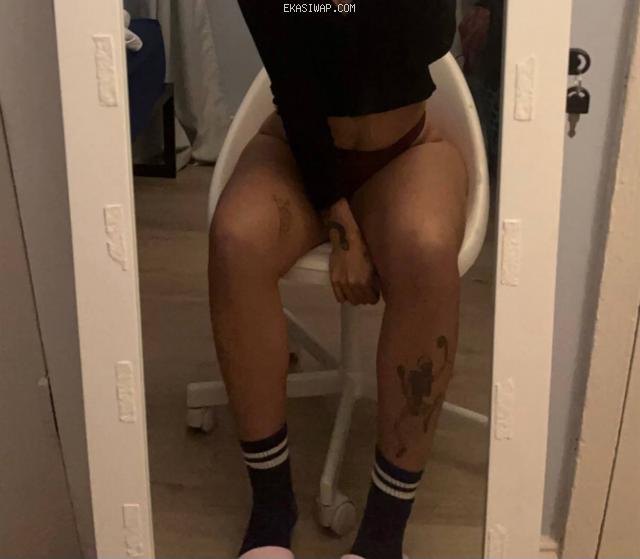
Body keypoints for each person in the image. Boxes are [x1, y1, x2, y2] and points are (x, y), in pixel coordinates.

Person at [208, 1, 467, 558]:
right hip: (299, 151)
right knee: (235, 241)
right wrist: (337, 214)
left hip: (404, 151)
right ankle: (272, 508)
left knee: (426, 252)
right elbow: (290, 77)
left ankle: (383, 537)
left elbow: (430, 37)